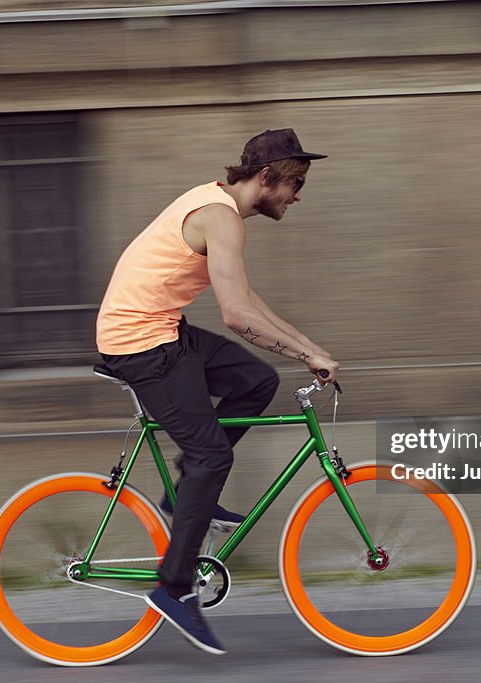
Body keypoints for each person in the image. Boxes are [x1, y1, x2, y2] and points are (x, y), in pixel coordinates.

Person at [95, 129, 340, 655]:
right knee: (211, 457)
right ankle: (173, 588)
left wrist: (309, 348)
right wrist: (305, 355)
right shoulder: (220, 216)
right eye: (294, 183)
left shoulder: (217, 207)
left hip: (162, 330)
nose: (298, 195)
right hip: (140, 343)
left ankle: (183, 494)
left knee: (257, 381)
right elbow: (235, 316)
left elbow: (245, 297)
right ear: (266, 177)